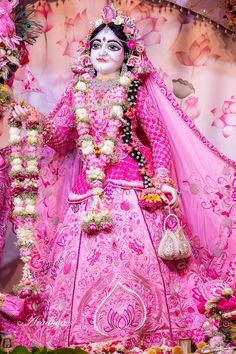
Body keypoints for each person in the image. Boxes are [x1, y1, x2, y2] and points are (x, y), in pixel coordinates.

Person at [1, 5, 236, 350]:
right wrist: (34, 119)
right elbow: (61, 137)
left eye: (113, 46)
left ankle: (148, 330)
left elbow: (158, 140)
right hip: (86, 194)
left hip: (131, 189)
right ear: (88, 53)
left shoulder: (135, 90)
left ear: (127, 55)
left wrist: (161, 180)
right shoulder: (77, 91)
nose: (104, 52)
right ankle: (84, 333)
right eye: (98, 45)